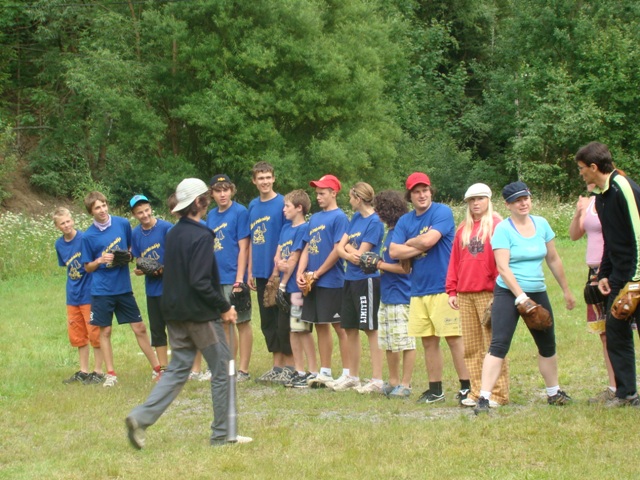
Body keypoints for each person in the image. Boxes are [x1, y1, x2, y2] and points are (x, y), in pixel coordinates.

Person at [125, 178, 252, 448]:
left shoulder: (173, 233)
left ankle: (140, 417)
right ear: (198, 202)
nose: (208, 199)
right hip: (199, 316)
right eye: (206, 196)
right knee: (224, 369)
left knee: (177, 369)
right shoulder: (202, 235)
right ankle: (223, 434)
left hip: (174, 312)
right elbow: (200, 281)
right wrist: (224, 307)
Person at [474, 181, 576, 414]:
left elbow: (553, 259)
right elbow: (503, 267)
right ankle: (484, 398)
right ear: (508, 204)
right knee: (499, 344)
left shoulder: (542, 224)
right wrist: (520, 297)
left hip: (537, 291)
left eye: (525, 198)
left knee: (547, 343)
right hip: (508, 292)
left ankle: (554, 393)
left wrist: (566, 290)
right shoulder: (503, 229)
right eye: (517, 200)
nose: (523, 203)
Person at [389, 172, 471, 404]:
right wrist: (418, 244)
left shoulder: (441, 212)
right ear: (410, 196)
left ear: (430, 191)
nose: (422, 195)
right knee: (428, 341)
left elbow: (428, 241)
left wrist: (408, 242)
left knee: (453, 338)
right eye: (416, 192)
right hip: (418, 289)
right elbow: (393, 252)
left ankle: (467, 387)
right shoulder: (405, 221)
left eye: (425, 190)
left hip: (444, 286)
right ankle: (435, 390)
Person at [575, 141, 640, 407]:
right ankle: (627, 394)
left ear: (594, 167)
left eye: (581, 168)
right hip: (618, 277)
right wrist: (603, 274)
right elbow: (612, 241)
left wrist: (636, 281)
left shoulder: (622, 187)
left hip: (636, 277)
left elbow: (637, 232)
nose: (580, 173)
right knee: (615, 332)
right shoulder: (601, 196)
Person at [81, 191, 161, 387]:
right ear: (91, 212)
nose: (102, 210)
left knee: (139, 328)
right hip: (102, 290)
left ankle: (158, 368)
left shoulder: (122, 224)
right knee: (106, 331)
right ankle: (111, 374)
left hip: (123, 287)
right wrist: (100, 260)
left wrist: (127, 255)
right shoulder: (88, 236)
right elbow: (87, 267)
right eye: (97, 208)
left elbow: (131, 249)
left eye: (103, 205)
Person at [445, 184, 509, 408]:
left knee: (493, 344)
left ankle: (498, 393)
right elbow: (454, 261)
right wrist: (452, 289)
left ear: (488, 200)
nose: (476, 203)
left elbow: (503, 260)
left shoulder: (497, 225)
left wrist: (499, 290)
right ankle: (476, 390)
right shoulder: (463, 229)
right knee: (471, 346)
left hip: (489, 291)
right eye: (472, 200)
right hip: (465, 293)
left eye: (480, 198)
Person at [296, 174, 349, 388]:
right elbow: (308, 246)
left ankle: (348, 373)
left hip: (332, 280)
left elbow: (338, 250)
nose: (318, 197)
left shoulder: (340, 217)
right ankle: (325, 371)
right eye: (317, 193)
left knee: (340, 326)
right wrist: (301, 272)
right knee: (320, 324)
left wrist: (317, 273)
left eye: (322, 193)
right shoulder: (315, 218)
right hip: (313, 280)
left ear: (333, 193)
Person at [334, 182, 385, 393]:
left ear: (359, 198)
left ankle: (377, 379)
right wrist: (348, 252)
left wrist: (346, 250)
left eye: (350, 197)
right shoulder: (355, 218)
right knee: (349, 327)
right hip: (350, 279)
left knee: (370, 328)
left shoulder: (375, 222)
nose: (349, 200)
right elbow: (341, 247)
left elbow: (361, 256)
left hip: (367, 280)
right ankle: (353, 377)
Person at [568, 182, 616, 402]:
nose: (583, 175)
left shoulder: (615, 199)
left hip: (615, 270)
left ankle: (626, 385)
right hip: (595, 275)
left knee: (626, 329)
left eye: (585, 169)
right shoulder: (588, 202)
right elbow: (574, 235)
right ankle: (614, 386)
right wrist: (579, 212)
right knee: (605, 334)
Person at [247, 161, 293, 384]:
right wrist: (250, 271)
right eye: (260, 178)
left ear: (274, 178)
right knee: (267, 321)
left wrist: (278, 270)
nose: (265, 182)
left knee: (282, 319)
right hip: (260, 271)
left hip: (279, 271)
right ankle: (277, 366)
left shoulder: (282, 203)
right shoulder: (253, 206)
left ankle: (290, 366)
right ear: (254, 181)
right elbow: (251, 240)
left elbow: (287, 237)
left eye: (268, 177)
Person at [206, 174, 253, 382]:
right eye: (218, 191)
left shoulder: (240, 212)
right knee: (224, 323)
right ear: (212, 194)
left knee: (242, 322)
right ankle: (228, 367)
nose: (222, 194)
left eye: (226, 190)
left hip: (234, 276)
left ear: (231, 190)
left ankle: (243, 370)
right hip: (217, 277)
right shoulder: (211, 215)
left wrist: (240, 279)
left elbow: (244, 248)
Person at [373, 190, 416, 399]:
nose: (376, 213)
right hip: (387, 293)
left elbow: (405, 268)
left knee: (406, 341)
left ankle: (405, 383)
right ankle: (393, 381)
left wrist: (379, 265)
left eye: (378, 208)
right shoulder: (389, 232)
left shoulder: (402, 231)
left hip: (401, 294)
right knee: (389, 341)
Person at [53, 207, 104, 385]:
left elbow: (93, 263)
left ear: (72, 220)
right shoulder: (59, 244)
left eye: (68, 221)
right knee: (78, 335)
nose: (66, 225)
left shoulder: (85, 239)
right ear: (57, 226)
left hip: (88, 294)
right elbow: (68, 267)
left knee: (94, 333)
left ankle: (98, 371)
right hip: (72, 296)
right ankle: (83, 371)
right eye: (62, 223)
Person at [274, 189, 318, 388]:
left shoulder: (304, 228)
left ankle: (313, 371)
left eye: (287, 206)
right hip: (286, 286)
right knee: (292, 330)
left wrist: (283, 284)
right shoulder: (285, 228)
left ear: (299, 208)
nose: (284, 209)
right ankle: (299, 370)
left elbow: (294, 258)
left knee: (302, 329)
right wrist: (279, 264)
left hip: (296, 288)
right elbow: (279, 255)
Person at [130, 194, 173, 374]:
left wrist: (162, 269)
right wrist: (140, 269)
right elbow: (139, 260)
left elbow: (177, 255)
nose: (145, 215)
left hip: (171, 287)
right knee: (157, 329)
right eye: (140, 212)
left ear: (151, 208)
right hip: (152, 289)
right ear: (134, 214)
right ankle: (163, 369)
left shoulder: (166, 228)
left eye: (147, 210)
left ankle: (181, 367)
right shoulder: (135, 233)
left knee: (176, 328)